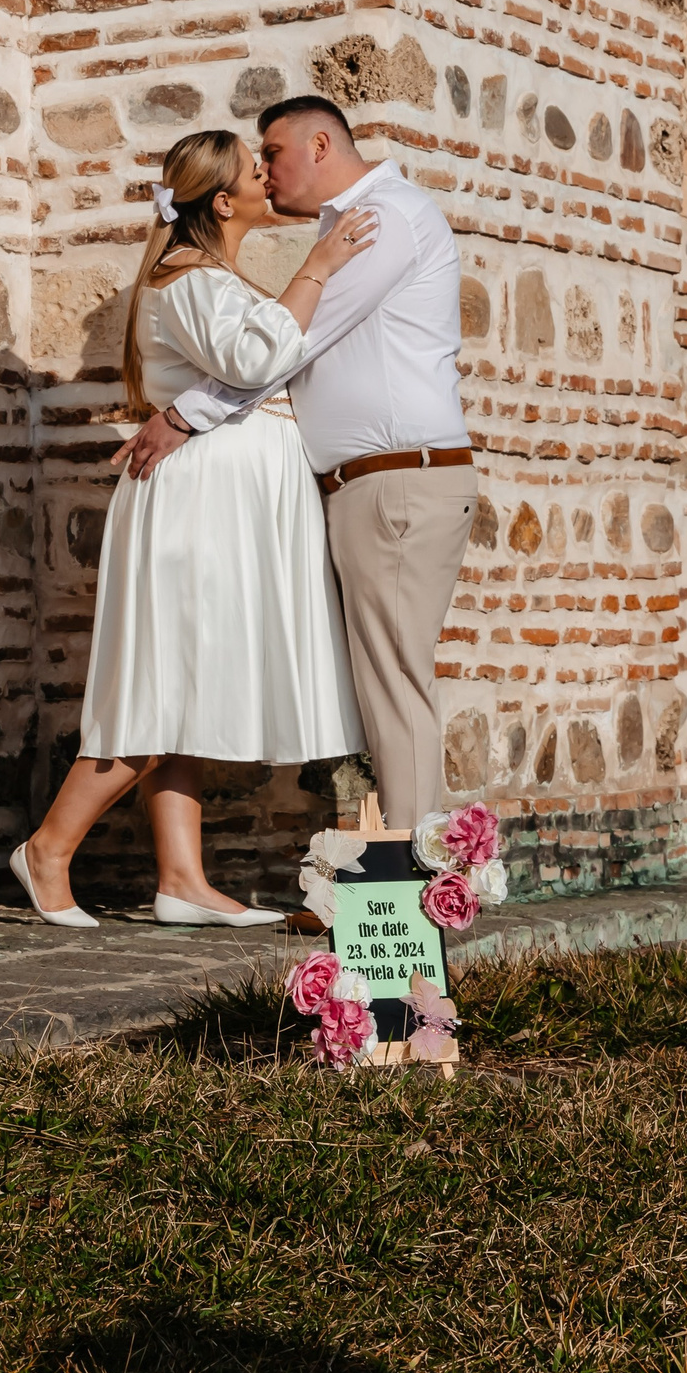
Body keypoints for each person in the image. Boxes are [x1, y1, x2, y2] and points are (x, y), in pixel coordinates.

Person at [9, 128, 375, 929]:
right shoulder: (187, 279)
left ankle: (181, 879)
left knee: (192, 684)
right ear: (221, 200)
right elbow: (256, 361)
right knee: (162, 682)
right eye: (255, 169)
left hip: (226, 492)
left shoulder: (212, 275)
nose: (267, 177)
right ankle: (48, 849)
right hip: (200, 498)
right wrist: (317, 268)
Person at [114, 96, 480, 831]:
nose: (266, 170)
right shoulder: (339, 229)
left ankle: (410, 893)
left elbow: (285, 347)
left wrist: (187, 414)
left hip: (396, 480)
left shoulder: (381, 219)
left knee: (393, 684)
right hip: (368, 485)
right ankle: (402, 880)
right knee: (383, 684)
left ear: (319, 144)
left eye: (271, 152)